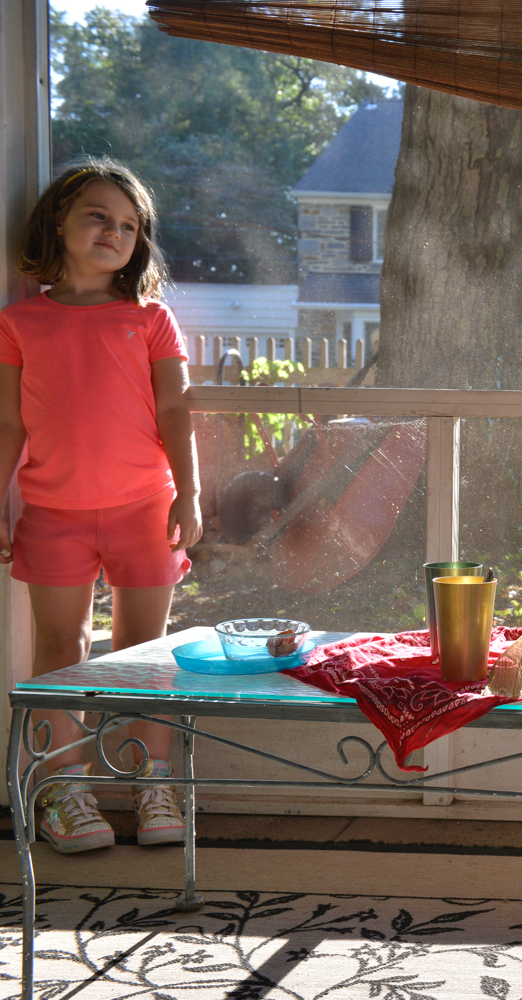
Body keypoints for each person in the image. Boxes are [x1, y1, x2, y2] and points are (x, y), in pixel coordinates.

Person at [0, 157, 202, 853]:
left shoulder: (150, 319)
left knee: (145, 653)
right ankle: (65, 790)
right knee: (60, 652)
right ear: (59, 219)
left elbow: (176, 409)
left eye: (127, 224)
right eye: (97, 215)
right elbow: (7, 425)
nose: (113, 231)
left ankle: (153, 786)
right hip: (51, 516)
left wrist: (191, 493)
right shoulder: (21, 322)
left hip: (146, 510)